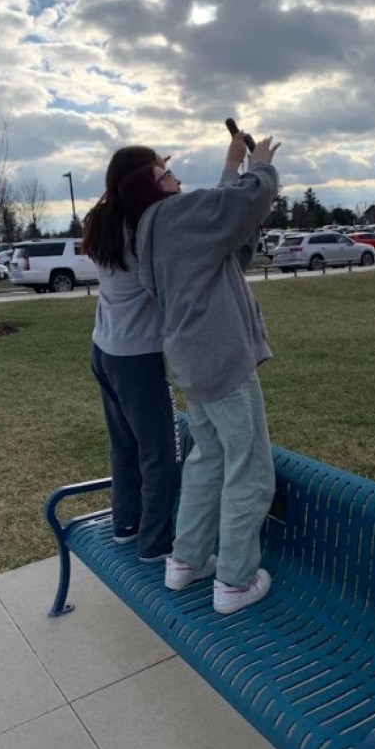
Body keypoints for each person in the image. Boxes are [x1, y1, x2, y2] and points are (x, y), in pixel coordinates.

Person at [134, 131, 281, 614]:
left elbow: (226, 236)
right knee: (250, 469)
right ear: (151, 187)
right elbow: (243, 206)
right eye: (165, 172)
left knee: (208, 461)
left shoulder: (149, 227)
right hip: (220, 361)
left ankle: (185, 561)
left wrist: (232, 169)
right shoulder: (177, 215)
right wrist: (253, 165)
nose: (174, 174)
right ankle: (234, 582)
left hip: (191, 363)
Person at [82, 146, 182, 563]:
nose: (168, 176)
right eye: (161, 172)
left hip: (103, 348)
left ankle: (126, 525)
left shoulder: (102, 219)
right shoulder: (145, 229)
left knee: (124, 444)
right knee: (160, 452)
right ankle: (156, 544)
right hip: (136, 356)